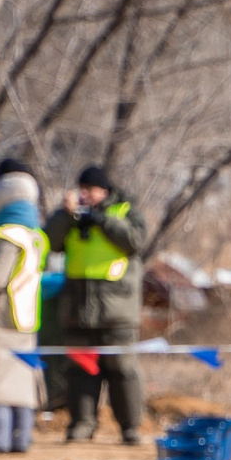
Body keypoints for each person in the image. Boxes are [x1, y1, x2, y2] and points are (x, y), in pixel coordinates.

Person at [42, 165, 149, 444]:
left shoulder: (124, 211)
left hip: (117, 310)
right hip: (77, 309)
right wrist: (65, 214)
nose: (85, 195)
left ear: (104, 191)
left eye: (91, 190)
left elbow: (134, 240)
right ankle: (82, 424)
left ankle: (129, 427)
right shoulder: (72, 216)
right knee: (80, 371)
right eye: (82, 190)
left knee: (122, 370)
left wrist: (100, 218)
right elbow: (49, 241)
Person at [0, 171, 48, 454]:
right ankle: (21, 439)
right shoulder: (36, 236)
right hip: (28, 316)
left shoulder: (8, 235)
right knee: (24, 383)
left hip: (2, 317)